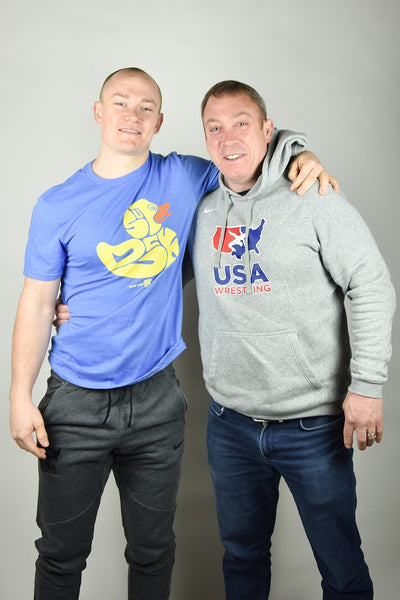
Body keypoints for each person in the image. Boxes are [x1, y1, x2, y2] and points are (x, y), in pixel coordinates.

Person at [9, 68, 335, 600]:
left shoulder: (184, 176)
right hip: (74, 401)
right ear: (99, 112)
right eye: (120, 103)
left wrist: (301, 153)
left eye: (146, 107)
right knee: (61, 556)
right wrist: (19, 396)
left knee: (154, 550)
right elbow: (37, 301)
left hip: (157, 401)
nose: (131, 116)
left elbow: (247, 154)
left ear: (159, 122)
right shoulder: (57, 204)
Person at [188, 80, 396, 599]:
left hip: (313, 426)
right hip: (230, 424)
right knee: (242, 558)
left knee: (341, 568)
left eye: (241, 123)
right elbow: (149, 276)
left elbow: (371, 285)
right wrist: (73, 301)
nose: (228, 138)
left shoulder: (314, 196)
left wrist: (367, 385)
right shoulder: (202, 209)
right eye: (214, 128)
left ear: (268, 130)